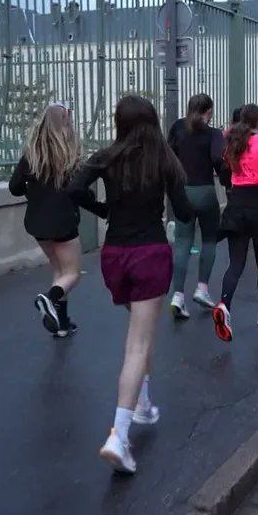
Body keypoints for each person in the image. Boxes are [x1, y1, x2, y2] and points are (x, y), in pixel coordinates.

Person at [67, 95, 191, 474]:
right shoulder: (164, 159)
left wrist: (103, 209)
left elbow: (74, 189)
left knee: (142, 330)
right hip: (149, 253)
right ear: (152, 121)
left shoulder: (106, 157)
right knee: (137, 344)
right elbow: (184, 211)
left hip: (114, 256)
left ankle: (143, 402)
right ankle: (118, 436)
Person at [9, 102, 98, 337]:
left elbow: (14, 187)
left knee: (60, 271)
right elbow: (80, 192)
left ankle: (62, 323)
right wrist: (100, 206)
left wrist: (33, 193)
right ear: (66, 124)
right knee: (73, 273)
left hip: (37, 224)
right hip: (63, 223)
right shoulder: (71, 156)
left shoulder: (31, 155)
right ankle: (48, 299)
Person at [212, 103, 258, 341]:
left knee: (236, 263)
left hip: (237, 204)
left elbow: (224, 174)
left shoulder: (233, 143)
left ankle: (224, 304)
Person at [166, 94, 224, 319]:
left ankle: (178, 296)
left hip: (183, 191)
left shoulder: (177, 127)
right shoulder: (214, 134)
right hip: (205, 191)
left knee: (182, 242)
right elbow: (218, 159)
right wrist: (226, 180)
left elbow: (168, 155)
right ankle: (202, 288)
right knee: (209, 240)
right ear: (208, 111)